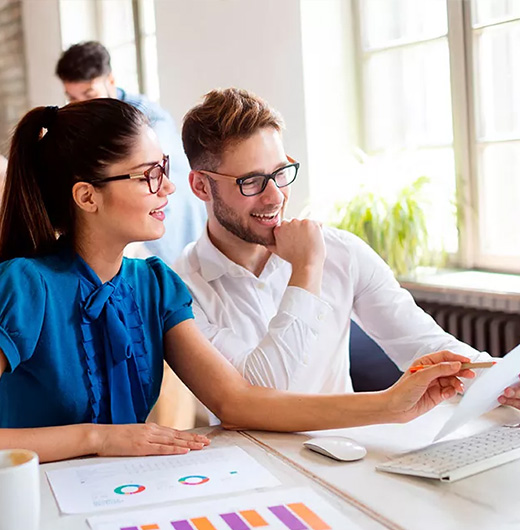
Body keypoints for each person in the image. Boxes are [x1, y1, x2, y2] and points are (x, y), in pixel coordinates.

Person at [0, 99, 475, 463]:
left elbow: (240, 401)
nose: (166, 187)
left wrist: (391, 405)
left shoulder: (153, 285)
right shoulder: (23, 286)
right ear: (87, 196)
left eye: (163, 169)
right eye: (148, 176)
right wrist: (97, 437)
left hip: (122, 496)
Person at [175, 87, 520, 409]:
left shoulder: (342, 251)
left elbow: (423, 342)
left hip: (345, 455)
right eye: (251, 181)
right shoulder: (182, 289)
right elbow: (263, 390)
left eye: (281, 173)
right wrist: (307, 270)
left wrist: (504, 382)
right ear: (202, 186)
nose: (276, 195)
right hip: (255, 465)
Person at [55, 41, 206, 261]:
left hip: (174, 234)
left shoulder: (148, 122)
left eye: (88, 93)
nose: (81, 106)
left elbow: (150, 174)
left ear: (111, 81)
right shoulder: (92, 126)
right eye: (72, 99)